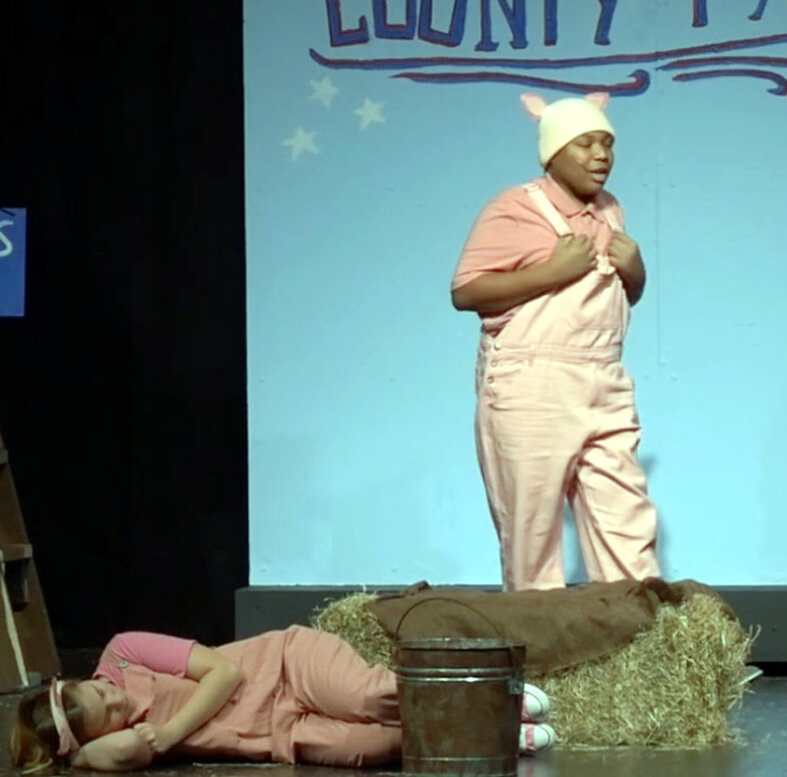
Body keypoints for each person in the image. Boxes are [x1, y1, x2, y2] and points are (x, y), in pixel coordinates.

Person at [452, 92, 661, 592]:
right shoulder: (516, 207)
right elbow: (466, 291)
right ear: (553, 153)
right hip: (533, 382)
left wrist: (636, 272)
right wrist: (552, 272)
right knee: (533, 531)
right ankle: (541, 636)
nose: (601, 155)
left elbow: (620, 296)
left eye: (607, 143)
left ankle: (639, 632)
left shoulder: (611, 211)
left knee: (626, 521)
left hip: (605, 377)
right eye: (585, 144)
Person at [8, 625, 555, 772]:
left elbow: (223, 673)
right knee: (377, 747)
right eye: (108, 716)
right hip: (280, 731)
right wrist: (74, 757)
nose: (116, 700)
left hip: (286, 665)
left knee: (369, 697)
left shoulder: (123, 653)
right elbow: (120, 752)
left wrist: (170, 732)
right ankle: (499, 736)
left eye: (100, 691)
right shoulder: (115, 742)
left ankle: (490, 691)